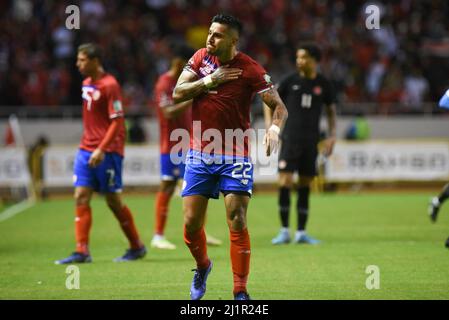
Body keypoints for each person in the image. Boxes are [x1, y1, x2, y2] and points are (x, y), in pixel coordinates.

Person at [173, 14, 288, 300]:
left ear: (233, 41)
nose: (209, 38)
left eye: (217, 35)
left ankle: (240, 290)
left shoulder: (249, 69)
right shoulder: (200, 59)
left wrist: (274, 129)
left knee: (237, 217)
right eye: (210, 33)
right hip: (200, 152)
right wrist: (210, 80)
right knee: (190, 223)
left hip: (234, 153)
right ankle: (203, 266)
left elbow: (279, 106)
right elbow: (177, 93)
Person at [55, 43, 147, 264]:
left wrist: (102, 149)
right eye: (78, 60)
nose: (78, 64)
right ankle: (82, 251)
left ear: (95, 61)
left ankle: (136, 246)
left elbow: (117, 122)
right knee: (80, 196)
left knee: (113, 201)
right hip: (86, 149)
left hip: (108, 152)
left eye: (82, 60)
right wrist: (91, 147)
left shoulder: (110, 85)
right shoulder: (86, 84)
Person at [265, 43, 337, 245]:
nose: (299, 61)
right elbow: (269, 101)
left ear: (315, 60)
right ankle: (284, 231)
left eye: (303, 57)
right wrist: (273, 129)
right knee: (285, 182)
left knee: (305, 184)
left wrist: (332, 136)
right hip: (290, 140)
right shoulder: (290, 80)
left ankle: (301, 233)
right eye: (297, 57)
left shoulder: (324, 84)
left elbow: (331, 112)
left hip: (311, 142)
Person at [152, 44, 222, 249]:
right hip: (172, 144)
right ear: (177, 62)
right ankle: (158, 235)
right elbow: (168, 113)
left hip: (190, 141)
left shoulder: (189, 81)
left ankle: (201, 231)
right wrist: (193, 97)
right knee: (167, 185)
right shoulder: (164, 83)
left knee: (200, 185)